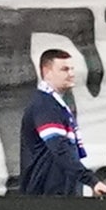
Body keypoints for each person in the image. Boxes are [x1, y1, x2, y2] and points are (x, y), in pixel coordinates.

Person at [17, 37, 95, 199]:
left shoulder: (55, 104)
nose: (72, 74)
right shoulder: (45, 105)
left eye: (72, 69)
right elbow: (59, 148)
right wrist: (91, 180)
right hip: (47, 196)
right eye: (65, 69)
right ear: (47, 72)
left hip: (60, 195)